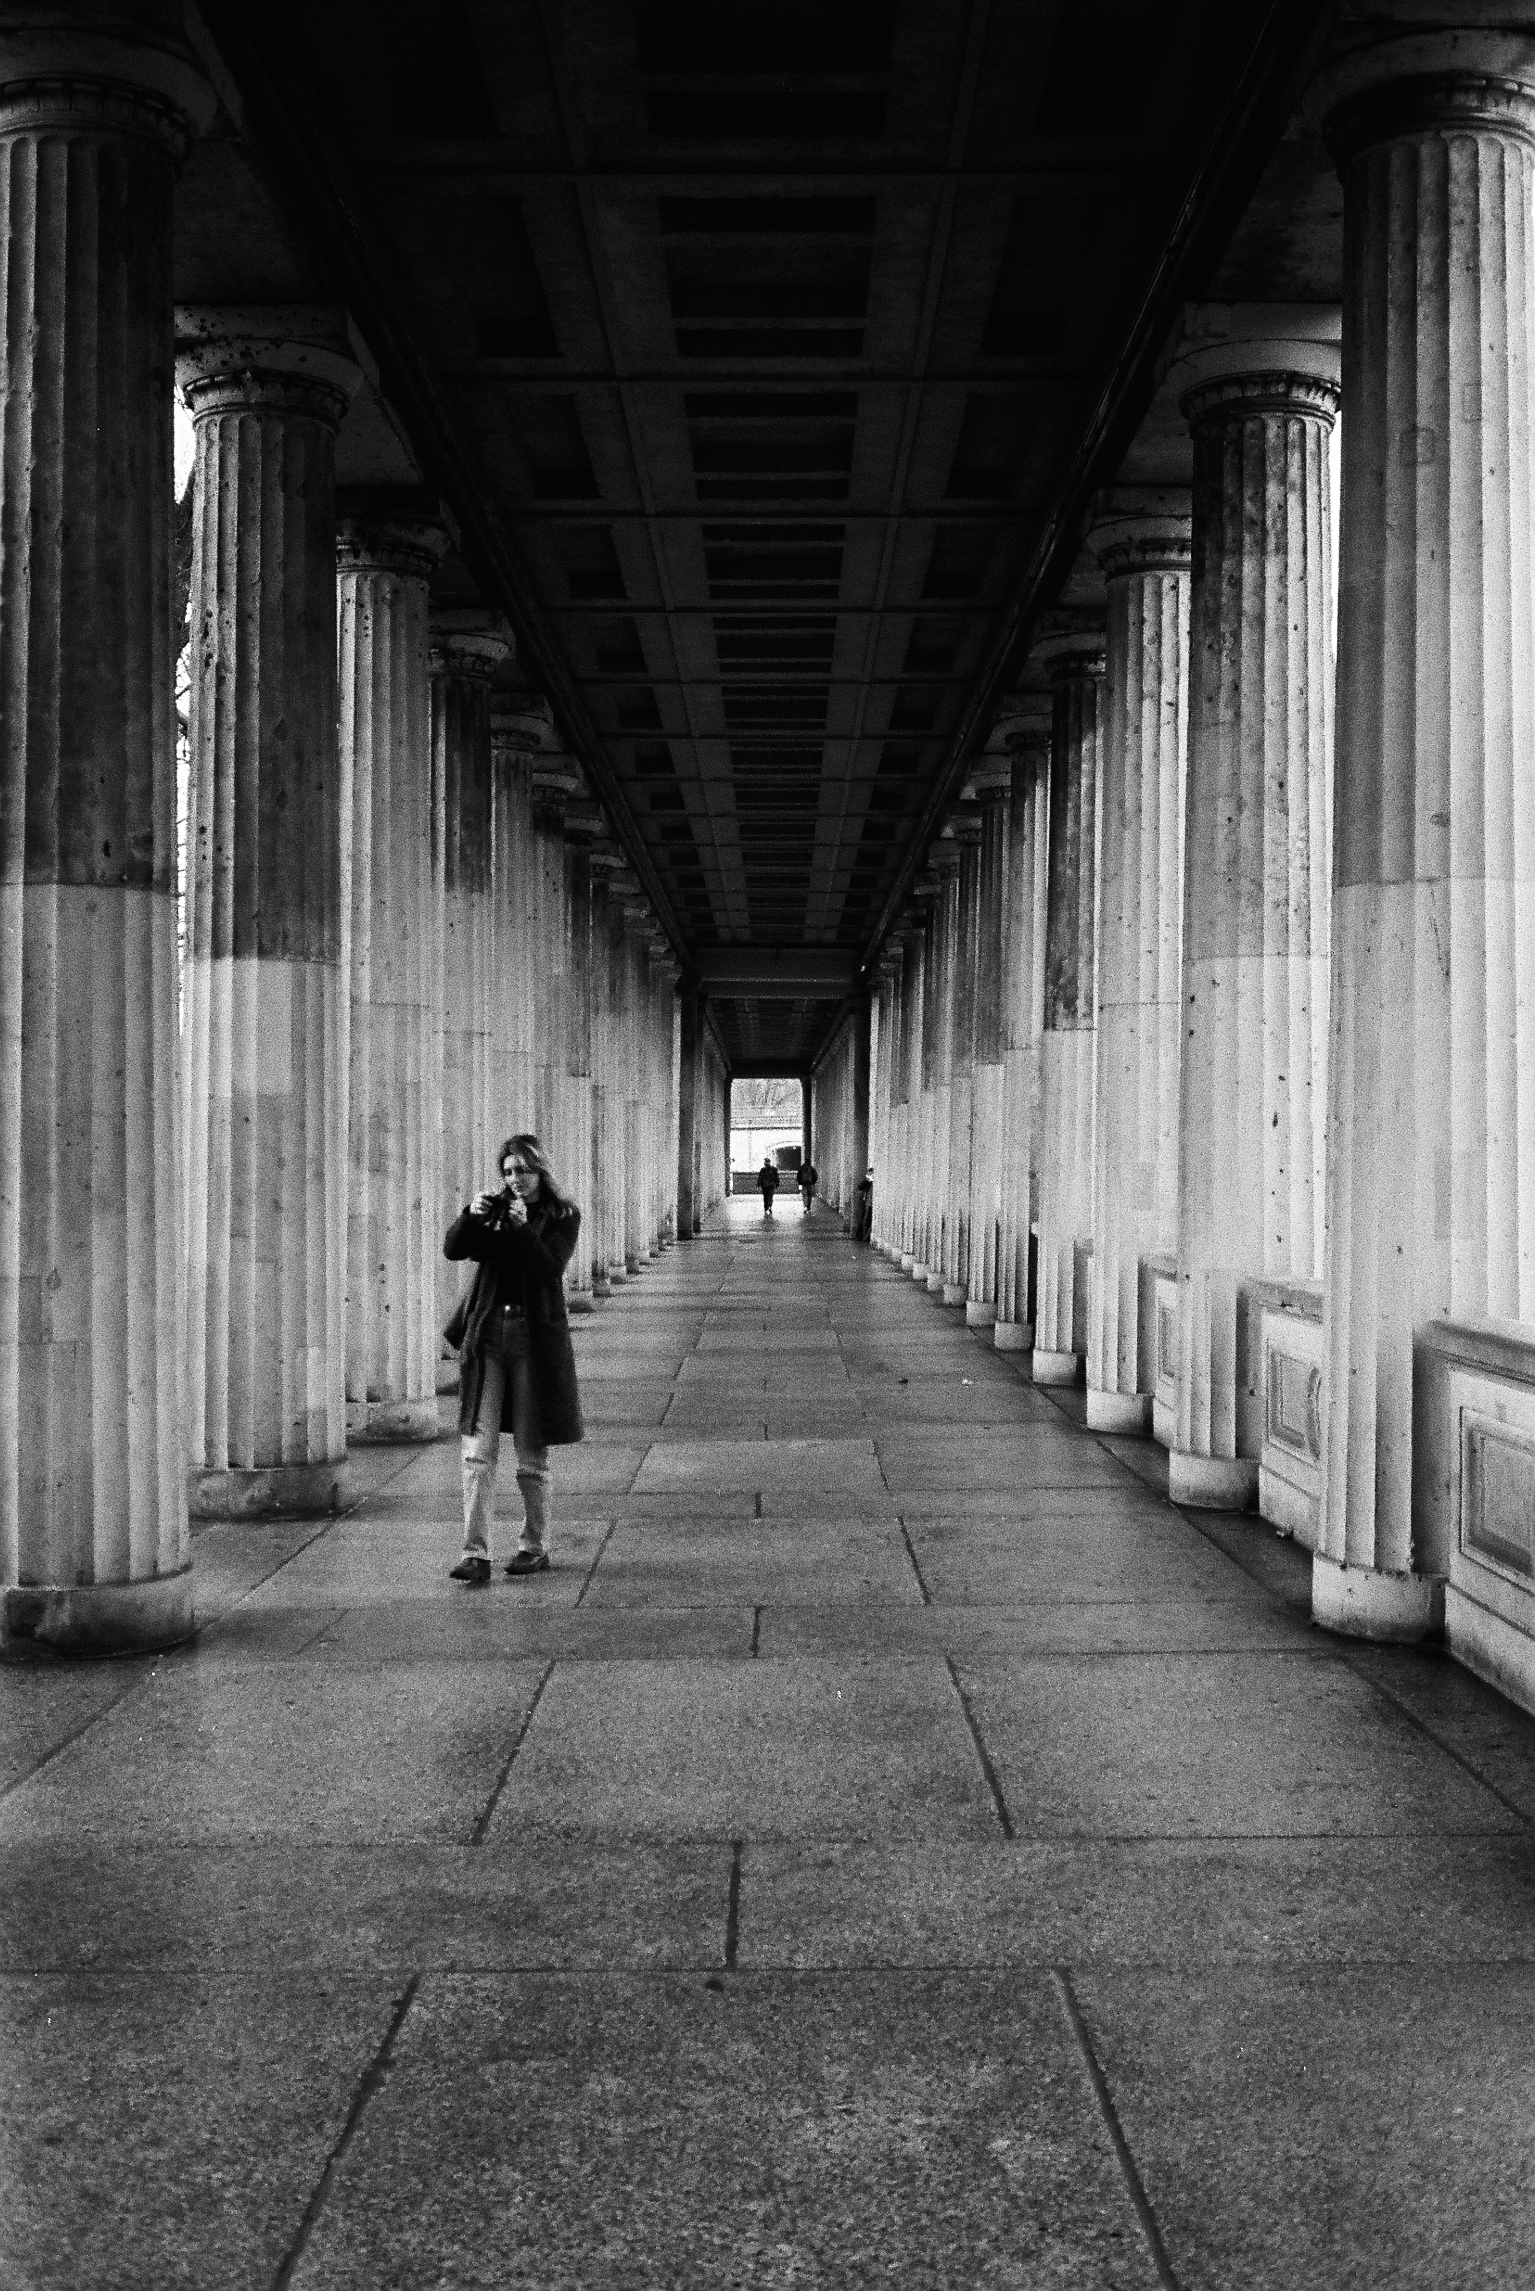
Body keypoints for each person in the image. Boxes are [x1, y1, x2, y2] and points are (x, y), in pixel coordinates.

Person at [442, 1134, 584, 1584]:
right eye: (507, 1171)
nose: (514, 1179)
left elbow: (548, 1269)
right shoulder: (497, 1210)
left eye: (522, 1170)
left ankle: (534, 1545)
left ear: (540, 1170)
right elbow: (454, 1249)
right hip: (486, 1337)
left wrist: (522, 1229)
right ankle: (475, 1553)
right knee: (477, 1451)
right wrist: (470, 1215)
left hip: (532, 1342)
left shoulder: (563, 1216)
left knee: (530, 1451)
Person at [854, 1167, 874, 1242]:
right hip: (867, 1203)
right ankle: (862, 1235)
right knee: (864, 1219)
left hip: (870, 1203)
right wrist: (867, 1180)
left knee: (867, 1220)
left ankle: (865, 1236)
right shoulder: (868, 1181)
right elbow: (860, 1187)